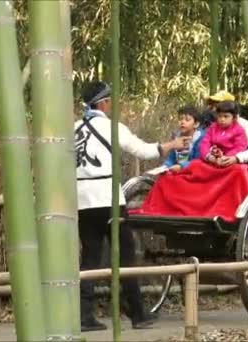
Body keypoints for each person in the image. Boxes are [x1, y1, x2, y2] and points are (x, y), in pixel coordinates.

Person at [75, 81, 189, 331]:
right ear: (103, 103)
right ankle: (136, 311)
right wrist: (172, 145)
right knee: (126, 252)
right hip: (107, 198)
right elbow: (144, 151)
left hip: (81, 198)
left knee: (91, 257)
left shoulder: (73, 129)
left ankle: (84, 315)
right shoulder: (111, 127)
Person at [204, 91, 248, 166]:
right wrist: (209, 156)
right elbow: (205, 144)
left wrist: (236, 158)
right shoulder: (212, 125)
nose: (213, 109)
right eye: (213, 106)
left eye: (216, 105)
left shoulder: (245, 125)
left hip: (236, 163)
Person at [199, 101, 248, 167]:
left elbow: (240, 147)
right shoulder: (213, 127)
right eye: (219, 116)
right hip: (212, 160)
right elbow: (205, 143)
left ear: (234, 118)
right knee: (195, 164)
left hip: (229, 161)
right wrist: (208, 156)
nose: (222, 119)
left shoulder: (239, 130)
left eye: (226, 116)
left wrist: (226, 157)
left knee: (239, 169)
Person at [163, 105, 205, 172]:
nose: (182, 122)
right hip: (177, 170)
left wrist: (182, 166)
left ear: (196, 124)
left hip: (193, 172)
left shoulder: (201, 139)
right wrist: (166, 166)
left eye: (187, 120)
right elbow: (171, 158)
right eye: (180, 119)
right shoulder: (177, 138)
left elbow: (198, 161)